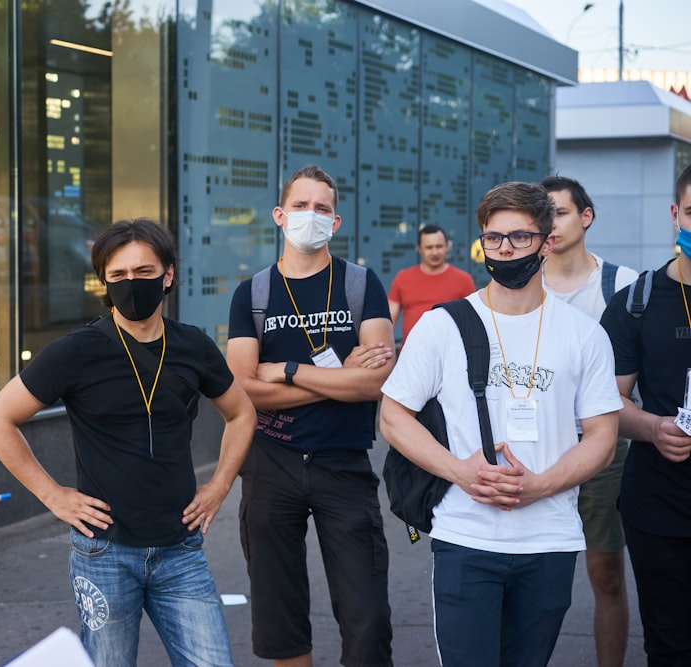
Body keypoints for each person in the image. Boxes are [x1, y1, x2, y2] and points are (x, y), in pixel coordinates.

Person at [0, 218, 256, 667]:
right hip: (103, 552)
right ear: (104, 281)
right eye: (119, 275)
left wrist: (220, 486)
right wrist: (54, 496)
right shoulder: (76, 351)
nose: (131, 284)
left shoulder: (194, 346)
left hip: (181, 550)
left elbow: (242, 412)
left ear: (168, 275)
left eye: (144, 273)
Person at [379, 180, 621, 666]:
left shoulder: (585, 335)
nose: (505, 248)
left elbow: (603, 435)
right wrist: (459, 470)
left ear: (547, 242)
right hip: (466, 538)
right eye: (494, 238)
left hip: (550, 538)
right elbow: (393, 415)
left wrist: (542, 484)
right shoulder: (442, 325)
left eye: (520, 237)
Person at [225, 164, 395, 667]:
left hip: (343, 463)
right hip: (270, 463)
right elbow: (243, 390)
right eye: (300, 206)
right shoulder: (251, 294)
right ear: (279, 215)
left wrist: (287, 370)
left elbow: (375, 381)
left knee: (367, 617)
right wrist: (338, 380)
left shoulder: (361, 285)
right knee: (280, 618)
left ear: (336, 222)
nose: (311, 216)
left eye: (322, 208)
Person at [540, 174, 638, 667]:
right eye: (543, 214)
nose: (549, 223)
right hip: (534, 446)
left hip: (602, 445)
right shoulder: (519, 282)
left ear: (586, 216)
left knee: (605, 573)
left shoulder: (623, 285)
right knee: (533, 574)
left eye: (558, 211)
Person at [599, 163, 691, 665]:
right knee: (670, 642)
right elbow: (608, 403)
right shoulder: (635, 302)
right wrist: (654, 428)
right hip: (661, 504)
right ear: (675, 214)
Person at [388, 224, 476, 345]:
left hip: (449, 354)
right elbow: (388, 320)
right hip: (411, 354)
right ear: (419, 249)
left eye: (439, 246)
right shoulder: (403, 277)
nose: (435, 252)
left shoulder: (463, 279)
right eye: (429, 247)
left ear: (447, 246)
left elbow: (472, 322)